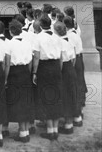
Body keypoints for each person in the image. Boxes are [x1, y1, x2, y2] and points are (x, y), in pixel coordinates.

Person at [32, 13, 63, 141]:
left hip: (44, 68)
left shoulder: (38, 38)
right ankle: (55, 129)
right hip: (56, 67)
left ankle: (50, 130)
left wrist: (34, 72)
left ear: (40, 24)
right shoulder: (57, 38)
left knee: (47, 97)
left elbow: (37, 57)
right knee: (55, 97)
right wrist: (59, 70)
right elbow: (61, 57)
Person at [4, 19, 34, 143]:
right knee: (25, 101)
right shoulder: (27, 44)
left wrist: (5, 78)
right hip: (25, 72)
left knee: (18, 103)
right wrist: (29, 72)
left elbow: (7, 64)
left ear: (11, 31)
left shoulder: (9, 44)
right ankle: (25, 131)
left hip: (14, 73)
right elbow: (30, 61)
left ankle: (22, 133)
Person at [54, 21, 79, 135]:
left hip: (64, 69)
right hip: (70, 68)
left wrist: (59, 73)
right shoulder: (69, 40)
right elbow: (73, 58)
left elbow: (60, 60)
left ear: (57, 31)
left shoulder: (59, 42)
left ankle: (68, 125)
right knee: (71, 94)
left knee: (66, 96)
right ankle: (72, 120)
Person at [64, 15, 87, 126]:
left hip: (74, 61)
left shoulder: (69, 36)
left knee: (75, 87)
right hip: (78, 59)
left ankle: (77, 114)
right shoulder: (74, 33)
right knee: (77, 85)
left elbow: (71, 52)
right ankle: (78, 113)